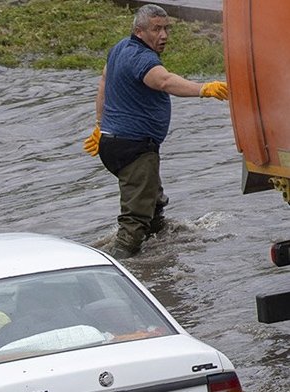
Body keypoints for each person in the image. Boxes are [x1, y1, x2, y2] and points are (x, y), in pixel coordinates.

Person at [83, 4, 229, 259]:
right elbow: (164, 81)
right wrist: (204, 88)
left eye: (166, 29)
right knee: (134, 223)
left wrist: (99, 125)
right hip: (135, 148)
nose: (164, 36)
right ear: (139, 32)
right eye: (156, 29)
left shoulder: (119, 49)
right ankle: (118, 266)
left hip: (113, 143)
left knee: (154, 204)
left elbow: (104, 81)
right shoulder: (142, 59)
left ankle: (158, 257)